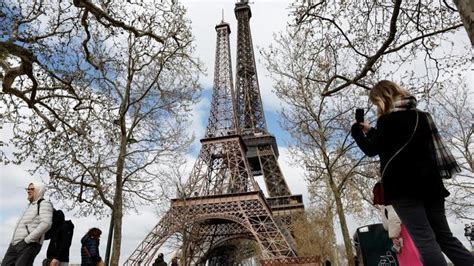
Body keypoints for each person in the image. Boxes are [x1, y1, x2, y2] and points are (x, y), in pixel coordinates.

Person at [351, 80, 474, 266]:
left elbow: (372, 149)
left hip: (403, 189)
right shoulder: (422, 117)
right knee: (445, 238)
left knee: (424, 240)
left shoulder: (386, 120)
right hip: (431, 186)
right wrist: (371, 131)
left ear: (382, 99)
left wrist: (357, 132)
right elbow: (396, 142)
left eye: (376, 103)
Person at [2, 182, 53, 266]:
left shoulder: (44, 204)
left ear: (39, 190)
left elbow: (46, 223)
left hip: (29, 244)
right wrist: (13, 241)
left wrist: (28, 240)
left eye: (32, 189)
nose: (28, 191)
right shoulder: (29, 206)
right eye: (28, 189)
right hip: (14, 244)